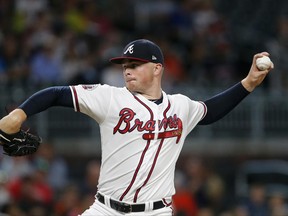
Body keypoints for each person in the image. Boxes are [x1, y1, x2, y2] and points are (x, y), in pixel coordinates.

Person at [0, 39, 273, 215]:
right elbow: (57, 93)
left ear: (157, 69)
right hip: (105, 209)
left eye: (135, 65)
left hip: (154, 212)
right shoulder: (109, 98)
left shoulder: (180, 105)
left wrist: (248, 84)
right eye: (125, 66)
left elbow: (210, 112)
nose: (127, 70)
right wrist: (19, 115)